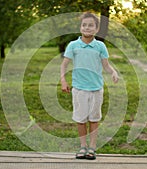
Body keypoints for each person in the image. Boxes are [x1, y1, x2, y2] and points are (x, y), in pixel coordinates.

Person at [60, 12, 119, 160]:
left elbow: (106, 65)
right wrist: (63, 80)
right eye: (84, 25)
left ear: (96, 29)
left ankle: (92, 147)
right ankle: (83, 146)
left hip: (96, 89)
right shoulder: (73, 45)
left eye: (91, 25)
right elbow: (64, 65)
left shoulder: (100, 46)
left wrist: (113, 72)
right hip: (79, 89)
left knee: (94, 119)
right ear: (80, 27)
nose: (87, 27)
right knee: (81, 119)